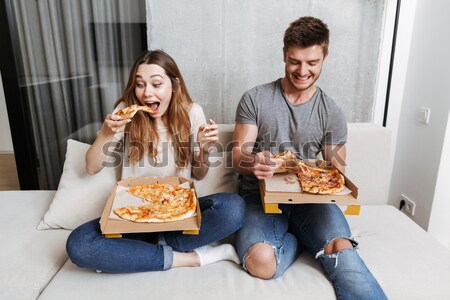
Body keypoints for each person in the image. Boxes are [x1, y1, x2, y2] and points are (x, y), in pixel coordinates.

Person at [232, 16, 387, 299]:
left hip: (310, 200)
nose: (302, 71)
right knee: (262, 262)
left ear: (325, 56)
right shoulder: (255, 98)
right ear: (284, 55)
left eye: (312, 63)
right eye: (295, 61)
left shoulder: (331, 112)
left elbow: (337, 170)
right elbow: (237, 157)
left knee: (342, 249)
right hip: (259, 198)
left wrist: (327, 172)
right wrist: (255, 162)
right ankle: (303, 240)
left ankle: (312, 236)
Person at [66, 50, 245, 273]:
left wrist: (204, 150)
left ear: (174, 84)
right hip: (132, 217)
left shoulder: (192, 112)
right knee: (78, 244)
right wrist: (105, 133)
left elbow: (199, 174)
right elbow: (92, 167)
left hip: (178, 216)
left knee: (234, 208)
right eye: (140, 85)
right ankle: (189, 258)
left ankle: (130, 254)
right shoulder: (126, 111)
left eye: (156, 84)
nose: (146, 93)